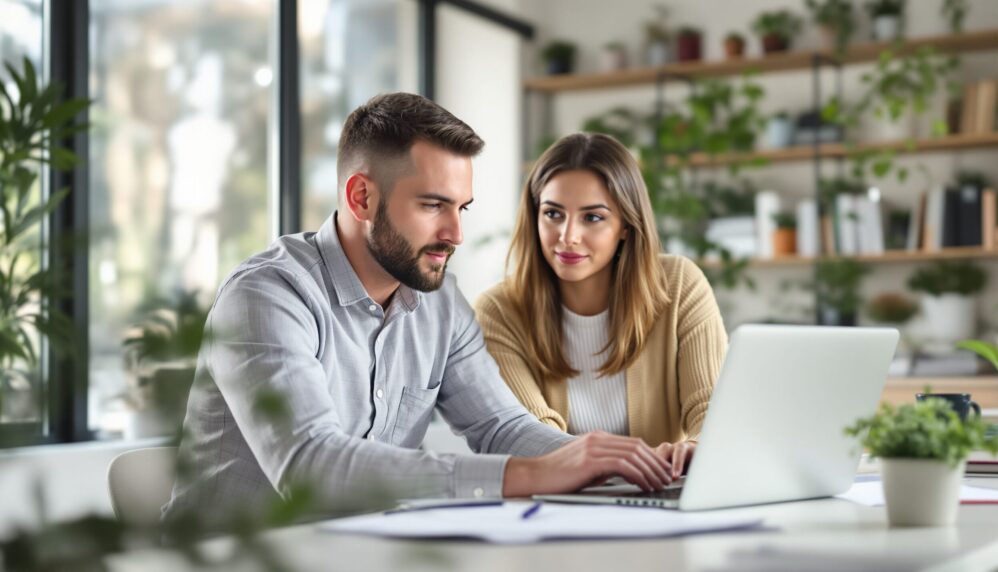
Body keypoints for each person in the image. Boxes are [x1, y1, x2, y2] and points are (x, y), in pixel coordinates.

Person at [162, 94, 674, 528]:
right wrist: (528, 475)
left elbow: (501, 428)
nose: (455, 234)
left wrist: (616, 462)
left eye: (461, 208)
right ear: (361, 197)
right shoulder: (268, 295)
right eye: (433, 206)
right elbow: (309, 466)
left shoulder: (440, 304)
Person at [475, 132, 728, 480]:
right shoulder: (498, 311)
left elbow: (712, 407)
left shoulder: (680, 284)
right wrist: (607, 464)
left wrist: (699, 447)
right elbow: (527, 435)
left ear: (625, 224)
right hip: (559, 508)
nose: (568, 236)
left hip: (664, 502)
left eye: (592, 217)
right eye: (553, 214)